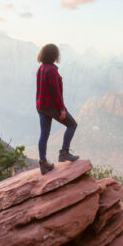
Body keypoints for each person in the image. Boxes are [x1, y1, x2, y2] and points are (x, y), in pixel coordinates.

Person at [36, 43, 79, 174]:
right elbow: (56, 93)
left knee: (44, 134)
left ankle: (43, 163)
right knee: (72, 125)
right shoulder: (52, 70)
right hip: (51, 106)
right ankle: (64, 152)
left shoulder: (41, 68)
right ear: (54, 55)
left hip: (41, 105)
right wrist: (62, 109)